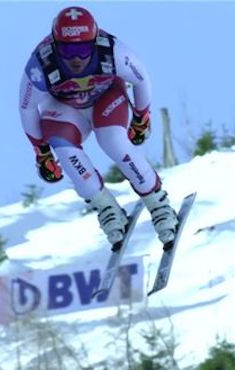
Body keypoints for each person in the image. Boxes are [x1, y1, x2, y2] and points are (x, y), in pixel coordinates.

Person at [18, 6, 178, 249]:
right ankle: (106, 208)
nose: (76, 58)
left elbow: (141, 78)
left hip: (105, 99)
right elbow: (27, 108)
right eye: (68, 50)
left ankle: (158, 204)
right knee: (65, 150)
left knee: (113, 141)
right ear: (54, 45)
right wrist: (42, 151)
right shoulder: (41, 64)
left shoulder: (112, 51)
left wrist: (141, 116)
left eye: (83, 49)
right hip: (64, 108)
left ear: (94, 42)